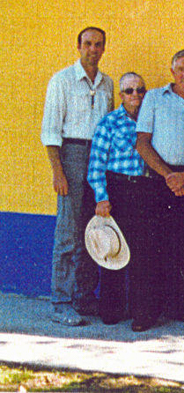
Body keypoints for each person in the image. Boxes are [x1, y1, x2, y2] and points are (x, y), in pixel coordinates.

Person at [134, 49, 184, 331]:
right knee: (152, 247)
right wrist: (170, 176)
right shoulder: (155, 98)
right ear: (172, 71)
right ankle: (147, 312)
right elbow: (142, 142)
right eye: (180, 68)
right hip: (160, 179)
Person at [41, 26, 115, 326]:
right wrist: (58, 171)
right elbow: (50, 131)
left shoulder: (108, 83)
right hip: (70, 156)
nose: (92, 50)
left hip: (98, 158)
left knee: (93, 229)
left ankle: (84, 297)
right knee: (69, 232)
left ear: (104, 48)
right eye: (87, 44)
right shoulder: (62, 81)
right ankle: (61, 300)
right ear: (78, 46)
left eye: (98, 45)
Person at [86, 72, 147, 327]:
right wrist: (102, 198)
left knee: (142, 253)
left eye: (140, 90)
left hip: (144, 190)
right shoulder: (109, 123)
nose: (135, 95)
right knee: (114, 250)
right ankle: (111, 309)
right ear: (121, 95)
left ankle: (139, 309)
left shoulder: (149, 120)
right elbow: (96, 165)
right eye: (129, 91)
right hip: (118, 189)